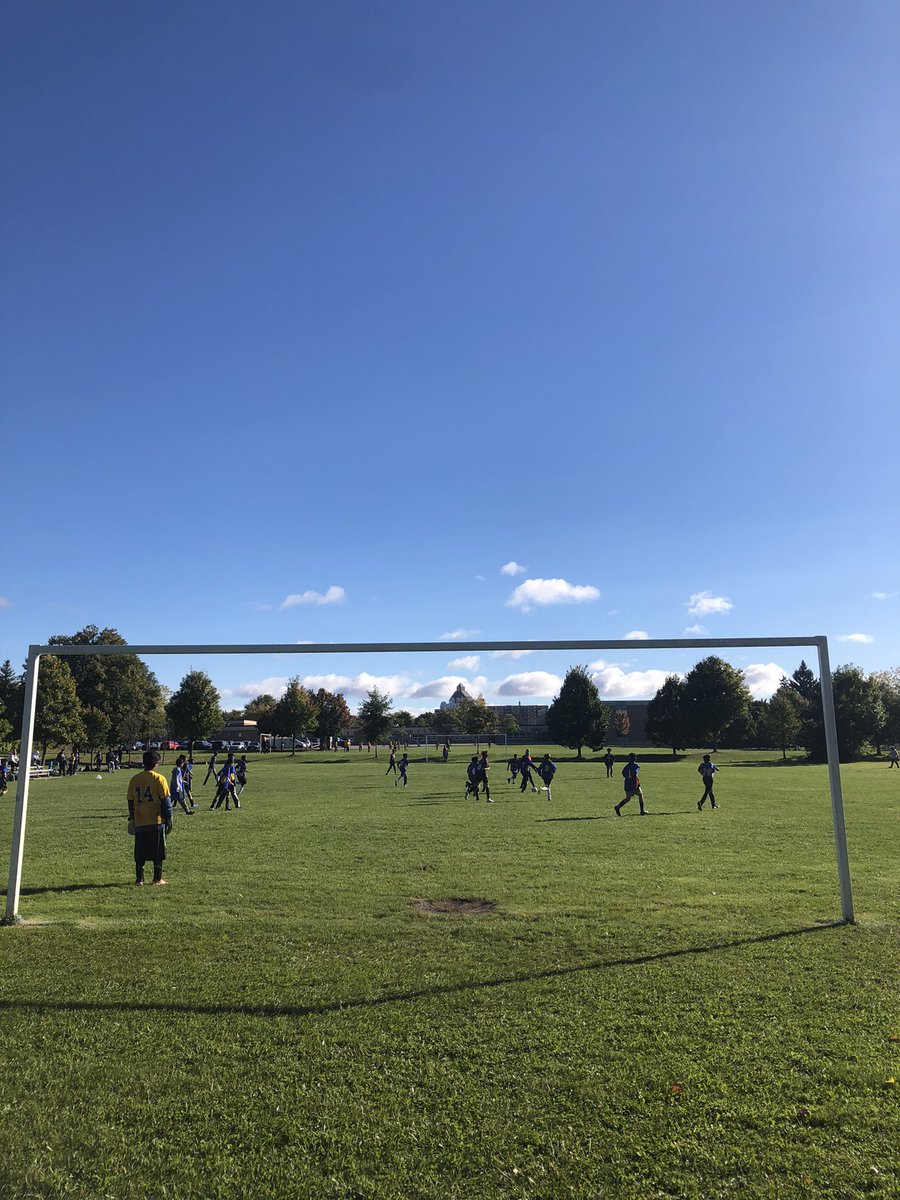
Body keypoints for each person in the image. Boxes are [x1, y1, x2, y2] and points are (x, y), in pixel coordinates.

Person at [127, 749, 172, 886]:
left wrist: (132, 817)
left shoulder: (135, 779)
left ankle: (139, 879)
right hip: (156, 820)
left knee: (140, 852)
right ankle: (157, 878)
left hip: (140, 820)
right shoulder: (159, 779)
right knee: (158, 852)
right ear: (156, 763)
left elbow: (130, 800)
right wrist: (168, 818)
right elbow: (166, 801)